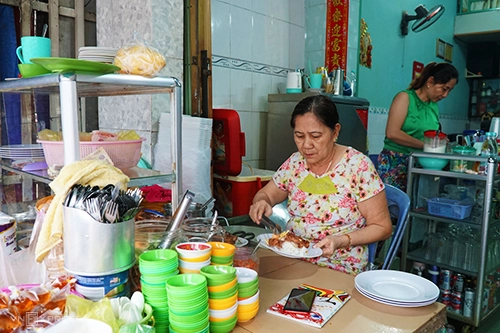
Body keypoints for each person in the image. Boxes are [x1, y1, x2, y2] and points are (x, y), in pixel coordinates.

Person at [249, 95, 392, 276]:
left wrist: (341, 240)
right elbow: (266, 195)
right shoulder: (295, 163)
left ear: (335, 132)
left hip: (339, 266)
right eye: (299, 136)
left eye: (315, 136)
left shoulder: (357, 166)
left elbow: (382, 227)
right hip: (293, 257)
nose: (306, 145)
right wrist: (262, 202)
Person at [377, 62, 459, 192]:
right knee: (393, 207)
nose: (445, 95)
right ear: (430, 81)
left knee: (417, 207)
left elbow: (430, 134)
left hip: (420, 164)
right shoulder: (405, 98)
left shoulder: (433, 106)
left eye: (449, 91)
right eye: (444, 89)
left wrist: (440, 141)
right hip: (395, 162)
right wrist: (427, 145)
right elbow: (392, 133)